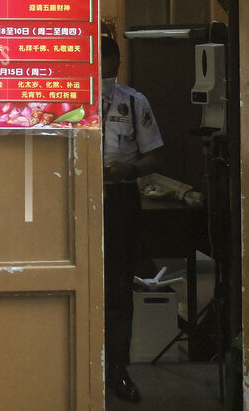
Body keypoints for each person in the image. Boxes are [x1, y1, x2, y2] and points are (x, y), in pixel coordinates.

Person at [101, 35, 164, 403]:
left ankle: (117, 368)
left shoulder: (134, 102)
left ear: (118, 66)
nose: (104, 80)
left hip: (120, 200)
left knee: (118, 288)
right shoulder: (70, 101)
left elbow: (156, 155)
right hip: (78, 201)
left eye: (110, 73)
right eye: (98, 72)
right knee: (84, 283)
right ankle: (85, 364)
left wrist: (130, 169)